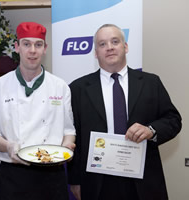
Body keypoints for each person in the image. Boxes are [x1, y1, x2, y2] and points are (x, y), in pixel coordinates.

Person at [68, 24, 182, 200]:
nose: (110, 47)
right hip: (97, 182)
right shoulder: (78, 89)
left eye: (115, 41)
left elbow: (173, 120)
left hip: (144, 180)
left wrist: (150, 130)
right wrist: (75, 180)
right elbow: (74, 136)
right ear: (95, 52)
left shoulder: (151, 83)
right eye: (102, 44)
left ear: (125, 47)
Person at [0, 22, 76, 200]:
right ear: (17, 47)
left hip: (51, 174)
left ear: (45, 49)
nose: (32, 50)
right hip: (12, 174)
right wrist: (8, 146)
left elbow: (68, 130)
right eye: (26, 44)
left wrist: (67, 146)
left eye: (38, 44)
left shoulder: (60, 86)